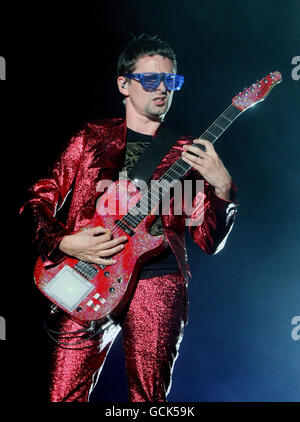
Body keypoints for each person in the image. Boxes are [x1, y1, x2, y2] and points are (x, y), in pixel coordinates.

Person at [20, 34, 237, 402]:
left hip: (158, 280)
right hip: (88, 271)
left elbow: (208, 241)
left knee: (147, 400)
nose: (162, 89)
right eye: (151, 80)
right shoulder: (92, 137)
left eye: (171, 81)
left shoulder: (190, 153)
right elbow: (37, 198)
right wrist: (62, 241)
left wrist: (223, 189)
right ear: (124, 83)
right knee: (63, 396)